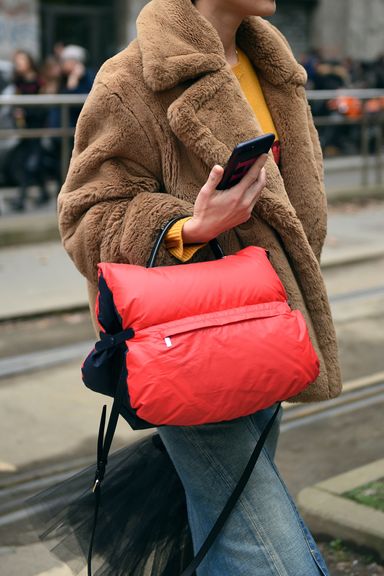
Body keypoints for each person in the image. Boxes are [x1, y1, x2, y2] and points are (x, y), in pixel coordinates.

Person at [54, 0, 342, 574]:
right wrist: (190, 226)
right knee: (268, 549)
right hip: (188, 343)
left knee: (221, 526)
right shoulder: (130, 78)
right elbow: (84, 218)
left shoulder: (272, 66)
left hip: (267, 329)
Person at [7, 50, 49, 211]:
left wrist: (25, 112)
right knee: (31, 162)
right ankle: (44, 192)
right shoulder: (18, 83)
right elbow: (13, 106)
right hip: (24, 129)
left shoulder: (39, 83)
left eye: (21, 60)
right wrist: (16, 114)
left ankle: (21, 199)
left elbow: (42, 109)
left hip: (37, 128)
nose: (19, 64)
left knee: (29, 163)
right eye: (17, 61)